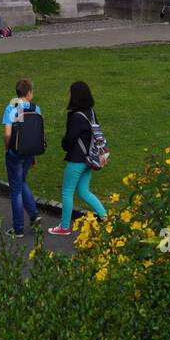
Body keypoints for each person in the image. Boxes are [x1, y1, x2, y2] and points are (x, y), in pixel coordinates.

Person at [48, 81, 108, 237]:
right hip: (90, 158)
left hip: (77, 159)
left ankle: (65, 226)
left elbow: (69, 141)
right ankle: (106, 217)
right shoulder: (91, 112)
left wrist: (63, 143)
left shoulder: (76, 116)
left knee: (67, 191)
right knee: (83, 191)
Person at [2, 78, 43, 237]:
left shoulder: (12, 108)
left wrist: (7, 148)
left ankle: (18, 227)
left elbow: (8, 133)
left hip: (16, 152)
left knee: (16, 189)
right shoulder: (36, 109)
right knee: (22, 181)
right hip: (29, 151)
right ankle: (33, 214)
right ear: (29, 93)